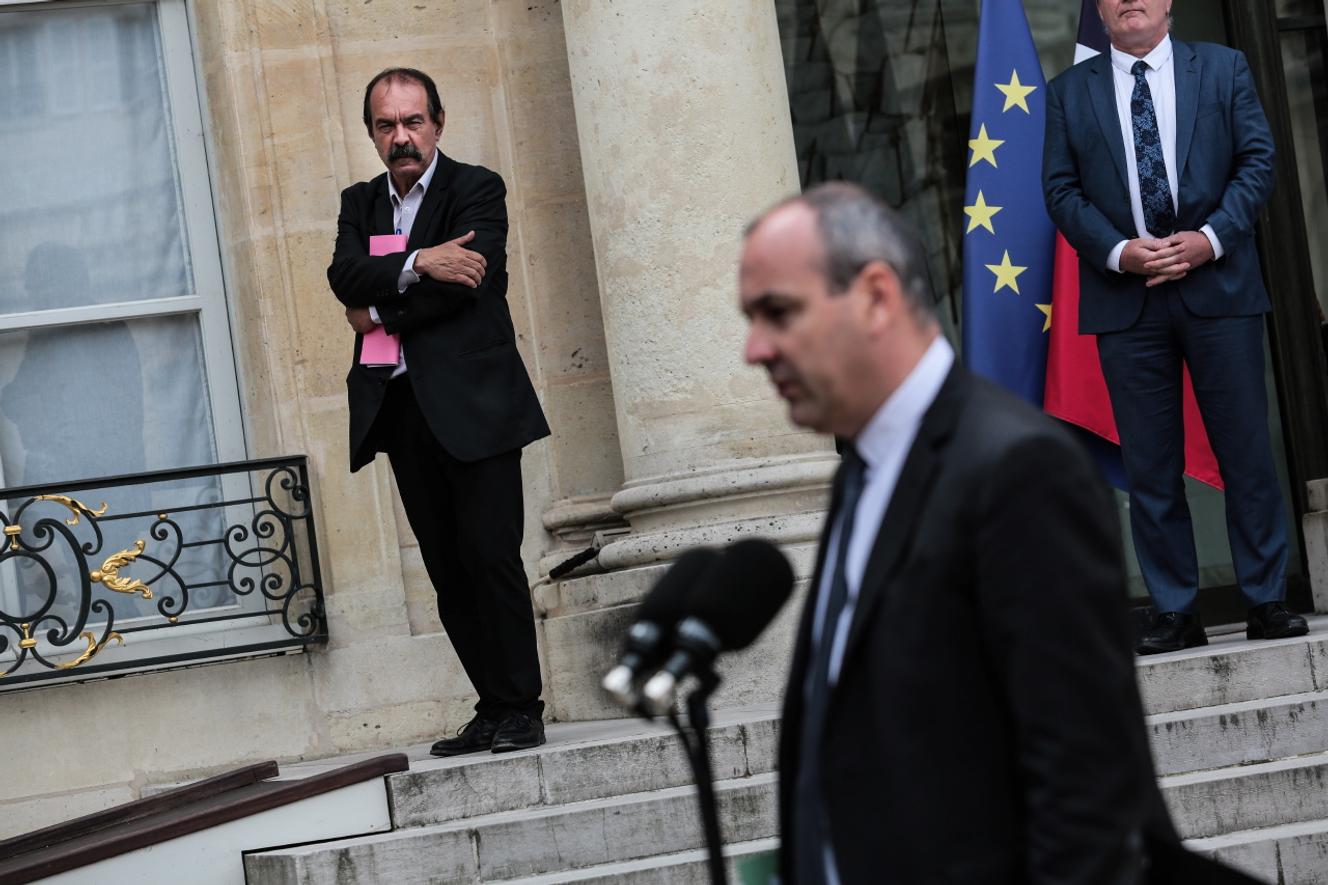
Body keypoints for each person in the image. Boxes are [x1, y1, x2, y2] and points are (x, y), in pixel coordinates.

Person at [740, 183, 1180, 883]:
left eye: (779, 313)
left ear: (876, 296)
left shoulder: (1019, 470)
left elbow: (1088, 797)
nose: (754, 349)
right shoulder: (864, 470)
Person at [1043, 0, 1307, 653]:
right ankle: (1175, 610)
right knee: (1150, 466)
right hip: (1125, 301)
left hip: (1219, 289)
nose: (1129, 0)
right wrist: (1119, 252)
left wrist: (1209, 239)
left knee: (1246, 453)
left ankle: (1267, 599)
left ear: (1167, 2)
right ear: (1100, 9)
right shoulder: (1069, 92)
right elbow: (1061, 191)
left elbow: (1257, 161)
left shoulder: (1223, 68)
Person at [327, 68, 550, 755]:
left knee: (491, 556)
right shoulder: (360, 203)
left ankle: (523, 706)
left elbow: (469, 284)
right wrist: (422, 260)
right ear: (371, 133)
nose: (401, 137)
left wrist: (378, 308)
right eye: (386, 125)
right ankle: (491, 705)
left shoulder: (475, 188)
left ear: (438, 123)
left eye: (413, 121)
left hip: (476, 406)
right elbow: (342, 275)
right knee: (447, 570)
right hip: (402, 411)